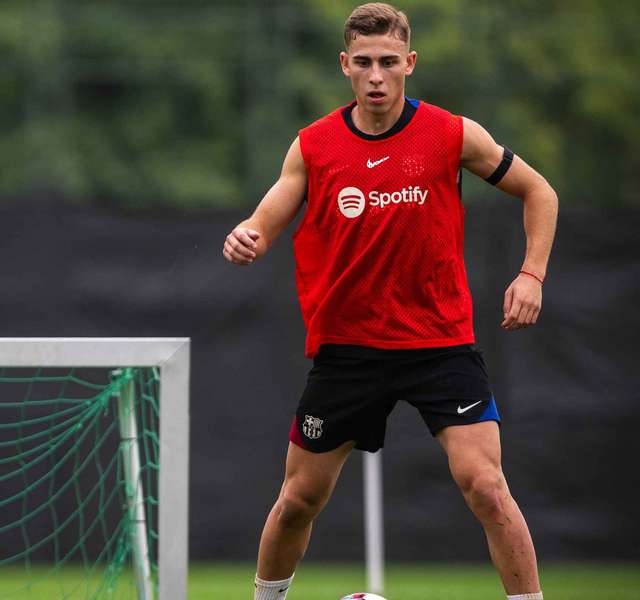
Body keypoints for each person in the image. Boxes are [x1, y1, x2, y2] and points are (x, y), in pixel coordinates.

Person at [222, 3, 558, 600]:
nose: (376, 75)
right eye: (364, 63)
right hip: (348, 350)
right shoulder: (314, 145)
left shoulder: (450, 134)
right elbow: (266, 217)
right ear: (344, 66)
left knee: (485, 485)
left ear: (409, 63)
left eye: (388, 62)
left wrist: (531, 274)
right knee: (298, 499)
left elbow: (539, 191)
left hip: (440, 344)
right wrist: (247, 234)